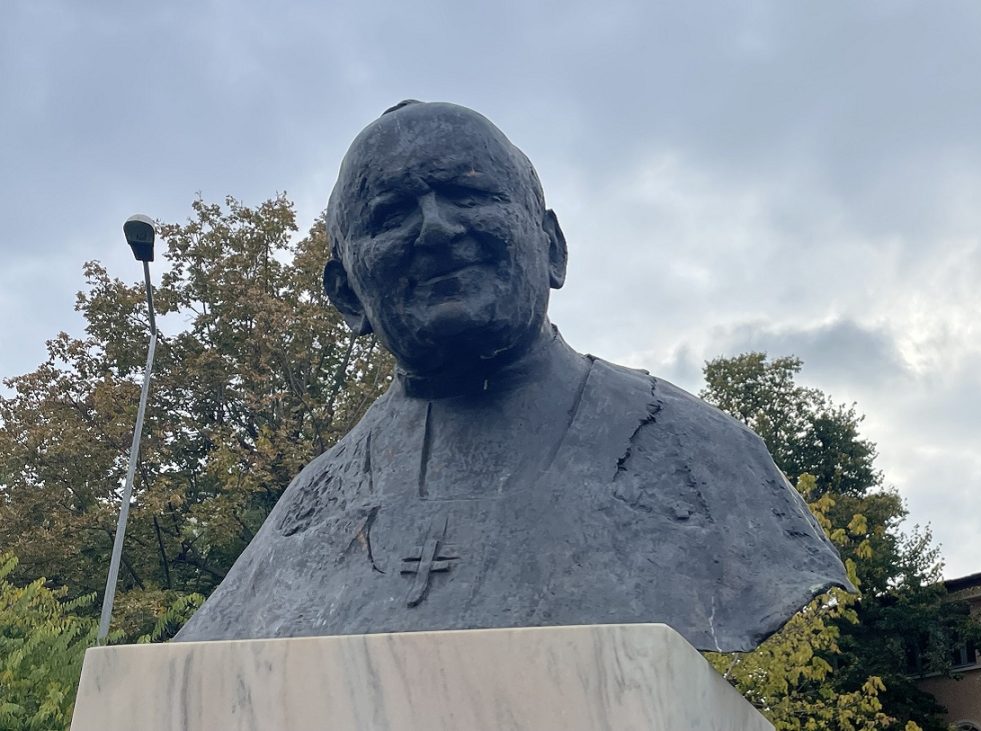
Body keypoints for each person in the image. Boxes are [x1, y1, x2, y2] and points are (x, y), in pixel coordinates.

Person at [175, 101, 848, 652]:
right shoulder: (306, 508)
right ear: (346, 294)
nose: (435, 230)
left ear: (551, 247)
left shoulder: (703, 457)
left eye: (466, 192)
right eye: (389, 216)